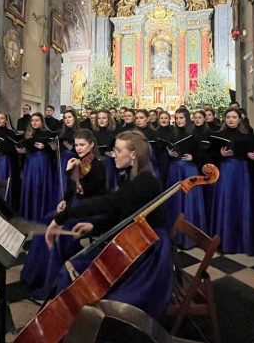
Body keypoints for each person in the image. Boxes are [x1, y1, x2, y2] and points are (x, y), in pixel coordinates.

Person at [45, 131, 173, 319]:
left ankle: (76, 322)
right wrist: (94, 227)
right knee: (76, 267)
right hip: (135, 240)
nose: (113, 154)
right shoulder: (134, 174)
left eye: (118, 150)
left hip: (148, 253)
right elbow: (120, 214)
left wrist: (61, 218)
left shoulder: (145, 181)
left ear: (133, 154)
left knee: (76, 270)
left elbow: (109, 203)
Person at [22, 129, 107, 299]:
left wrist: (70, 172)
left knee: (57, 230)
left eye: (82, 145)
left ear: (91, 144)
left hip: (88, 209)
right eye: (76, 145)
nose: (79, 148)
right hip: (73, 205)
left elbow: (85, 191)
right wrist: (64, 200)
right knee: (46, 220)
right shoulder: (78, 162)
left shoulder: (98, 165)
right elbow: (71, 190)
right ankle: (37, 275)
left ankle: (55, 280)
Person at [208, 109, 254, 254]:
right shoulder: (219, 135)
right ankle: (223, 240)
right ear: (225, 119)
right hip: (225, 170)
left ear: (239, 119)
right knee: (226, 201)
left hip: (241, 171)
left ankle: (242, 240)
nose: (231, 120)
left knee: (240, 202)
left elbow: (253, 152)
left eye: (234, 117)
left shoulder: (247, 136)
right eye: (228, 117)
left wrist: (253, 155)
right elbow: (210, 154)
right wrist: (220, 154)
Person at [165, 108, 207, 249]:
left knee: (189, 202)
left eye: (181, 118)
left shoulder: (194, 134)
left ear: (187, 119)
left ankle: (190, 237)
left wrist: (193, 157)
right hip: (175, 169)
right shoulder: (172, 134)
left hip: (189, 169)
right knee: (175, 200)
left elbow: (202, 153)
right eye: (176, 118)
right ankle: (175, 236)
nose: (179, 121)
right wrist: (170, 154)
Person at [17, 113, 58, 222]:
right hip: (30, 163)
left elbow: (54, 154)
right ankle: (29, 217)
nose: (34, 122)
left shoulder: (48, 134)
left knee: (40, 187)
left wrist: (45, 147)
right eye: (32, 120)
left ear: (42, 122)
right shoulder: (29, 134)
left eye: (37, 120)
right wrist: (21, 152)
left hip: (43, 163)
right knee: (30, 187)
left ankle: (42, 216)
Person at [93, 109, 118, 190]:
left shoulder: (114, 133)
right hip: (95, 162)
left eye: (104, 118)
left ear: (109, 119)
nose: (101, 120)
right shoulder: (92, 133)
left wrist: (113, 153)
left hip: (109, 163)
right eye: (99, 118)